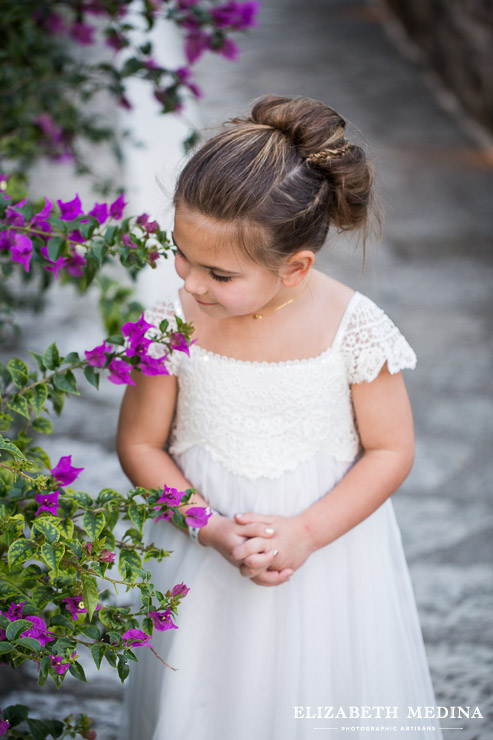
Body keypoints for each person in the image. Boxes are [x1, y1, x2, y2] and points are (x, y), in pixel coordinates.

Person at [117, 95, 443, 740]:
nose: (190, 283)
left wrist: (307, 533)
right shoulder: (172, 322)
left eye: (219, 273)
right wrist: (207, 527)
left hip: (323, 563)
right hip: (204, 557)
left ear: (294, 268)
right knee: (204, 702)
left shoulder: (354, 329)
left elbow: (390, 450)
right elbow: (140, 443)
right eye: (180, 253)